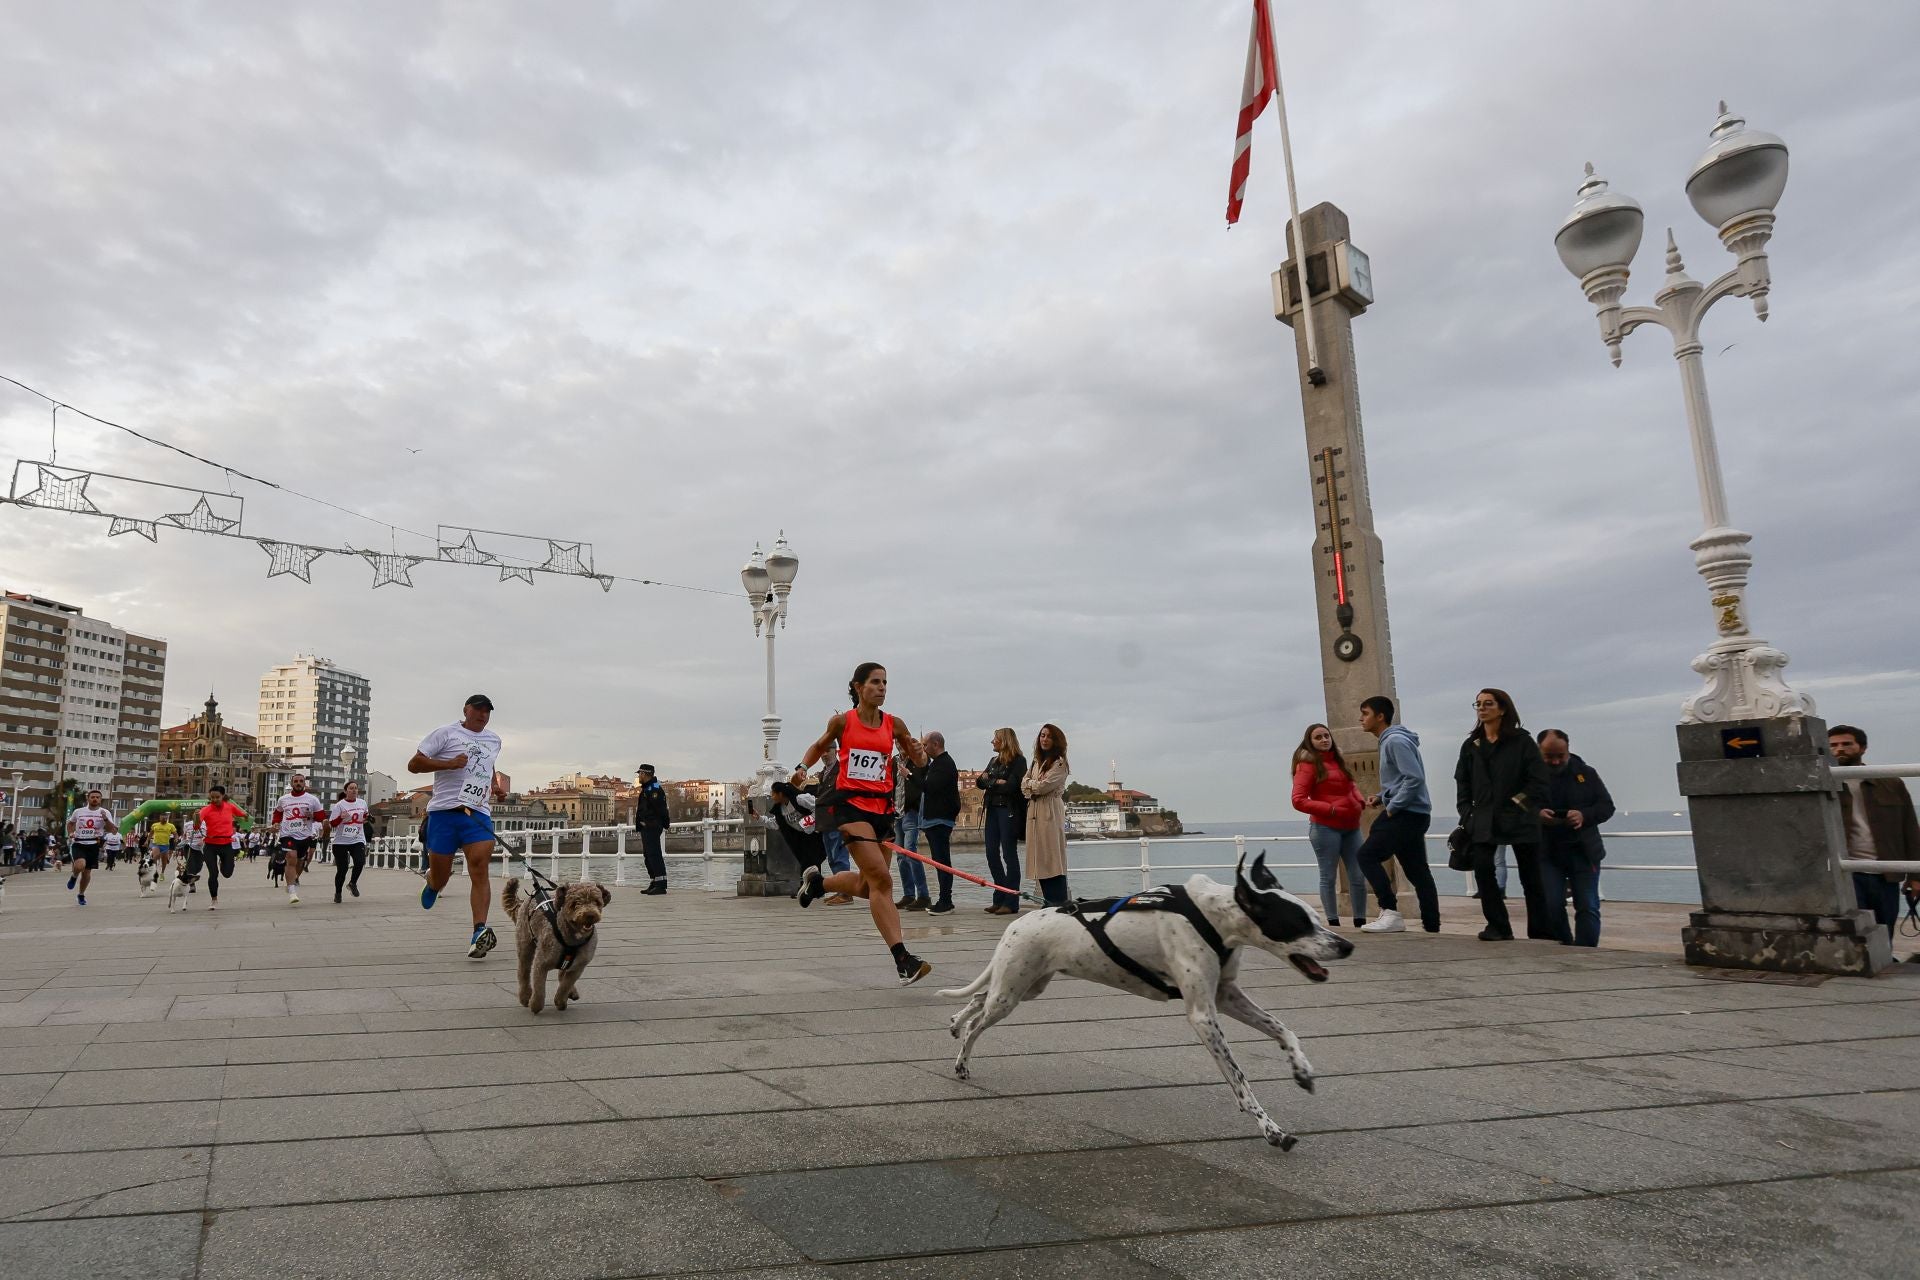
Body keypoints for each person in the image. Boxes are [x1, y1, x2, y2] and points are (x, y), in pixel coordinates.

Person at [791, 662, 933, 986]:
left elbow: (919, 759)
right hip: (849, 807)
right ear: (858, 687)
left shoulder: (894, 724)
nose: (882, 688)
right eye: (875, 682)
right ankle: (903, 960)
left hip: (881, 810)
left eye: (885, 682)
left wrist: (920, 754)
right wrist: (802, 767)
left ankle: (818, 885)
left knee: (869, 887)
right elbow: (819, 745)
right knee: (882, 881)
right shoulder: (843, 722)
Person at [409, 694, 509, 959]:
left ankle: (479, 931)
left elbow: (487, 765)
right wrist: (448, 764)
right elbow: (414, 764)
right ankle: (432, 882)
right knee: (442, 877)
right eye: (478, 710)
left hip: (477, 813)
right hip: (444, 813)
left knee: (479, 866)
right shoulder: (445, 734)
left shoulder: (494, 740)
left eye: (487, 711)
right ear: (466, 709)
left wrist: (494, 786)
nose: (483, 715)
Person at [1455, 688, 1552, 943]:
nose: (1482, 708)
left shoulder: (1522, 741)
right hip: (1484, 818)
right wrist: (1467, 813)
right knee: (1484, 869)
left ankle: (1540, 930)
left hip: (1520, 818)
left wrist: (1518, 804)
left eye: (1488, 703)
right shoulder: (1471, 744)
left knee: (1531, 875)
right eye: (1477, 704)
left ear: (1502, 708)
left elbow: (1539, 780)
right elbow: (1462, 781)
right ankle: (1498, 926)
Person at [1829, 724, 1920, 946]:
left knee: (1884, 927)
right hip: (1845, 874)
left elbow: (1910, 828)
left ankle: (1885, 964)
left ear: (1863, 748)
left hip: (1885, 873)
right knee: (1856, 932)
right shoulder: (1822, 785)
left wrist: (1916, 875)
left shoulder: (1890, 782)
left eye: (1846, 744)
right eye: (1833, 745)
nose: (1839, 749)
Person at [1358, 697, 1440, 934]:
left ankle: (1390, 912)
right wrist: (1382, 797)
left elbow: (1414, 779)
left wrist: (1393, 807)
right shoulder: (1392, 740)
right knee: (1417, 871)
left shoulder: (1394, 741)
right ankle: (1432, 926)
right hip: (1415, 813)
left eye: (1365, 713)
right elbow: (1401, 780)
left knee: (1366, 855)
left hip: (1406, 813)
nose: (1361, 718)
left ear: (1380, 716)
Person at [1534, 729, 1613, 947]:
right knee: (1552, 903)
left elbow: (1606, 806)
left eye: (1561, 755)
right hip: (1547, 851)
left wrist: (1583, 815)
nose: (1556, 761)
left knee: (1587, 905)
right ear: (1539, 752)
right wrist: (1537, 815)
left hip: (1583, 850)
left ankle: (1586, 950)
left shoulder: (1586, 774)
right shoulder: (1529, 777)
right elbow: (1518, 805)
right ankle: (1565, 944)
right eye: (1549, 756)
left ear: (1568, 749)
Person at [1292, 723, 1367, 927]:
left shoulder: (1339, 761)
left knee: (1359, 875)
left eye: (1327, 736)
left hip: (1351, 827)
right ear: (1311, 742)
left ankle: (1360, 920)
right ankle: (1333, 922)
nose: (1325, 740)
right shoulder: (1306, 766)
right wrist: (1331, 809)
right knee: (1328, 876)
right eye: (1319, 737)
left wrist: (1360, 801)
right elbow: (1298, 800)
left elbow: (1351, 786)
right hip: (1325, 828)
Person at [975, 728, 1027, 915]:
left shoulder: (1019, 761)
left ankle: (1011, 901)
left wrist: (992, 781)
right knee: (991, 853)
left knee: (1009, 854)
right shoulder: (993, 761)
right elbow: (979, 782)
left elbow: (1012, 786)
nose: (992, 742)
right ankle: (1000, 895)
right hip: (992, 811)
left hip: (1008, 811)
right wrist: (997, 782)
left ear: (1004, 741)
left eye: (995, 739)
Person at [1022, 723, 1071, 907]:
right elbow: (1023, 784)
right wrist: (1032, 785)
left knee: (1052, 856)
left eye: (1049, 736)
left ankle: (1057, 900)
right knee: (1039, 857)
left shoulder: (1059, 763)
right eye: (1042, 735)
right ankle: (1048, 900)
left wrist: (1031, 785)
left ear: (1056, 740)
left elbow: (1044, 786)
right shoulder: (1036, 761)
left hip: (1050, 811)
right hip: (1034, 811)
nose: (1044, 739)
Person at [269, 775, 326, 906]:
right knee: (291, 857)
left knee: (300, 861)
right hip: (287, 834)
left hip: (305, 835)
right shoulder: (283, 799)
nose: (298, 783)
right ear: (292, 783)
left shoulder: (312, 799)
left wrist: (312, 816)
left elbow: (322, 816)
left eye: (301, 781)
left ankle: (293, 880)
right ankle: (292, 892)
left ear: (304, 784)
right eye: (296, 781)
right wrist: (276, 823)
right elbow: (277, 813)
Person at [189, 784, 248, 910]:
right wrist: (196, 819)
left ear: (223, 796)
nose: (214, 800)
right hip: (210, 845)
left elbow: (242, 814)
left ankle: (223, 863)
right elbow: (196, 827)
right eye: (212, 798)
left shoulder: (230, 807)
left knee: (227, 873)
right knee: (213, 873)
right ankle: (214, 899)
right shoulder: (206, 809)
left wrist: (246, 817)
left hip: (226, 845)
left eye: (217, 797)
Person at [920, 731, 961, 914]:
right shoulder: (937, 763)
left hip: (940, 820)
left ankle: (946, 901)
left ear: (935, 744)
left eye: (925, 745)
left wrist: (909, 775)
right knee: (939, 861)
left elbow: (930, 787)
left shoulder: (945, 764)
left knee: (942, 861)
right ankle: (944, 899)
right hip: (934, 820)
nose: (924, 748)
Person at [893, 746, 931, 912]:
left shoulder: (918, 760)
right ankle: (908, 894)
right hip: (896, 813)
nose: (899, 746)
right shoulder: (893, 761)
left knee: (910, 852)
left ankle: (923, 896)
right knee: (901, 856)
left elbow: (922, 782)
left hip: (910, 812)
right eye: (897, 742)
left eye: (902, 742)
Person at [65, 788, 113, 906]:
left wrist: (105, 819)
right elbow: (70, 823)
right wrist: (71, 833)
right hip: (79, 843)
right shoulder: (78, 811)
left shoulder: (105, 812)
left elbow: (112, 829)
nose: (95, 799)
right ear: (88, 799)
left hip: (94, 845)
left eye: (97, 797)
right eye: (93, 797)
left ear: (101, 799)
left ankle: (81, 894)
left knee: (86, 873)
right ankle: (74, 876)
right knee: (80, 865)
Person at [767, 780, 826, 872]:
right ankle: (811, 884)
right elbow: (775, 824)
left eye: (773, 794)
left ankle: (816, 884)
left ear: (780, 794)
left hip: (814, 836)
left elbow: (820, 807)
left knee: (813, 862)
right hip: (801, 840)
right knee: (806, 865)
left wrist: (807, 821)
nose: (772, 797)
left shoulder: (800, 799)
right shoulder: (780, 810)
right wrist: (759, 818)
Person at [632, 764, 671, 895]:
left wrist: (663, 823)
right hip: (647, 826)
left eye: (640, 774)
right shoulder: (647, 788)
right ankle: (654, 881)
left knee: (654, 854)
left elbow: (660, 809)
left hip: (652, 826)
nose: (639, 776)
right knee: (648, 855)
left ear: (645, 774)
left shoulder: (653, 789)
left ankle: (661, 884)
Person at [329, 781, 370, 903]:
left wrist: (368, 817)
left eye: (356, 788)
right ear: (346, 791)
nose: (354, 790)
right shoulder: (340, 805)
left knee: (360, 861)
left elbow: (365, 816)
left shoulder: (362, 803)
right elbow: (332, 823)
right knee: (343, 869)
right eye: (351, 788)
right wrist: (340, 817)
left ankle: (352, 883)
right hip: (341, 841)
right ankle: (338, 892)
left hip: (357, 839)